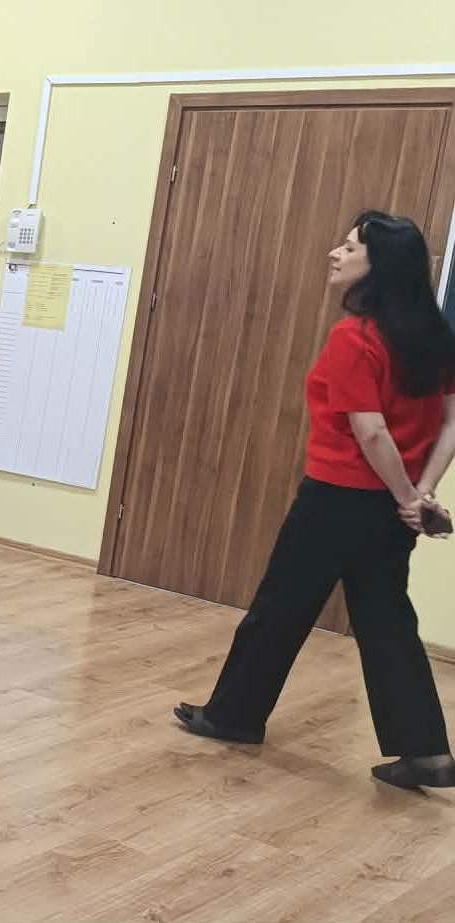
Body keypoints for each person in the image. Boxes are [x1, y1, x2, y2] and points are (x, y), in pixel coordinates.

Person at [176, 211, 455, 790]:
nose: (335, 253)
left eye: (350, 248)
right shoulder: (435, 340)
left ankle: (233, 716)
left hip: (336, 498)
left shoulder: (356, 337)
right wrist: (418, 495)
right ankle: (427, 753)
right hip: (390, 512)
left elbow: (370, 432)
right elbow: (451, 422)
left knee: (280, 606)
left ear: (379, 267)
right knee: (387, 623)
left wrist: (408, 494)